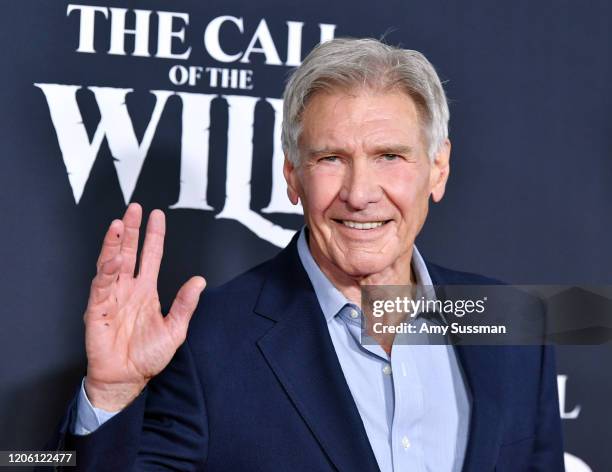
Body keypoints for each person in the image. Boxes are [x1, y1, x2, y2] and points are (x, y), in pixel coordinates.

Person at [45, 38, 564, 471]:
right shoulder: (207, 344)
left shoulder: (510, 320)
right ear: (292, 176)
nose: (360, 193)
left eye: (389, 156)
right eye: (331, 158)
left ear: (438, 168)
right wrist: (111, 397)